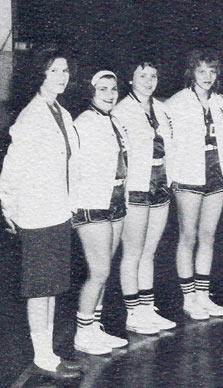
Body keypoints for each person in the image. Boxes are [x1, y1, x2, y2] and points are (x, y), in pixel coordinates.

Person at [0, 48, 83, 379]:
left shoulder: (60, 111)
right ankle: (43, 356)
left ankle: (47, 351)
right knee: (40, 289)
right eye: (54, 71)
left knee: (51, 287)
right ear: (40, 75)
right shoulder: (31, 116)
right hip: (36, 214)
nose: (62, 77)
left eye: (64, 71)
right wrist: (8, 207)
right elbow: (11, 171)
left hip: (58, 211)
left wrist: (72, 203)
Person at [167, 49, 223, 319]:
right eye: (201, 71)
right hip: (189, 176)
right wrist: (172, 177)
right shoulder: (177, 102)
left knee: (208, 236)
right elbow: (169, 143)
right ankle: (188, 298)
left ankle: (203, 295)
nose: (207, 76)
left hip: (216, 176)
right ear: (191, 73)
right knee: (188, 236)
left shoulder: (222, 103)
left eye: (212, 71)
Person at [113, 60, 177, 334]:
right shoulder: (120, 111)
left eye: (153, 75)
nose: (149, 81)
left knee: (149, 251)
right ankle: (133, 312)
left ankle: (147, 309)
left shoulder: (162, 110)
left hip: (160, 185)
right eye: (142, 75)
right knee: (133, 252)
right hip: (136, 188)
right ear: (131, 79)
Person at [70, 70, 130, 354]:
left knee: (104, 271)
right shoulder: (83, 122)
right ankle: (82, 334)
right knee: (99, 271)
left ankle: (95, 327)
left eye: (113, 89)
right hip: (93, 204)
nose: (109, 94)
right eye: (103, 89)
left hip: (116, 200)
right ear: (91, 92)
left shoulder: (114, 120)